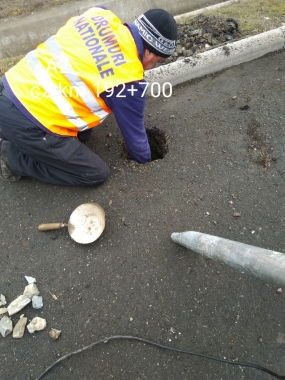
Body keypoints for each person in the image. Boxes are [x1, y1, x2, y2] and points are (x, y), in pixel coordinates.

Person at [0, 6, 177, 186]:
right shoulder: (129, 79)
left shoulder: (99, 14)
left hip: (11, 85)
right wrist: (147, 162)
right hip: (27, 120)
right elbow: (137, 141)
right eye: (158, 61)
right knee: (95, 173)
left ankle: (13, 133)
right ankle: (12, 158)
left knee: (84, 134)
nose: (152, 67)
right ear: (149, 52)